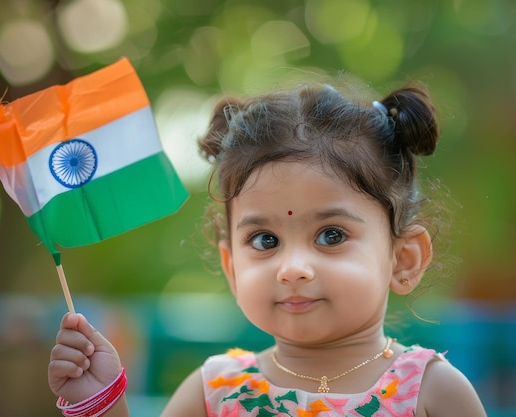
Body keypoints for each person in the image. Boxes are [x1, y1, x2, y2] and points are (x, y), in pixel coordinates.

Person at [48, 79, 488, 416]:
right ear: (232, 266)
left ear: (403, 258)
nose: (292, 268)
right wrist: (99, 403)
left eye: (331, 235)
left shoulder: (433, 393)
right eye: (265, 241)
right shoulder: (215, 392)